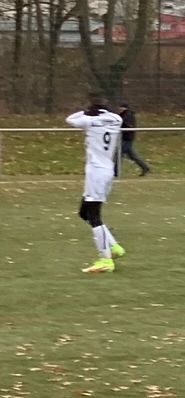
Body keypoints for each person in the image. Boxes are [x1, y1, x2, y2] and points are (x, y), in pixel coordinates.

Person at [66, 94, 126, 273]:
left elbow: (70, 119)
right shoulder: (116, 119)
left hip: (96, 173)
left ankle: (105, 260)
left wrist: (86, 112)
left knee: (93, 216)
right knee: (84, 213)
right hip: (106, 170)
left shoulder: (88, 121)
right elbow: (107, 117)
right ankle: (114, 247)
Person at [116, 100, 150, 175]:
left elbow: (128, 125)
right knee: (132, 155)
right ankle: (145, 167)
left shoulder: (128, 115)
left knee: (119, 154)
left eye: (121, 108)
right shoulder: (122, 115)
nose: (120, 109)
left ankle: (116, 171)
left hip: (127, 138)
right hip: (124, 138)